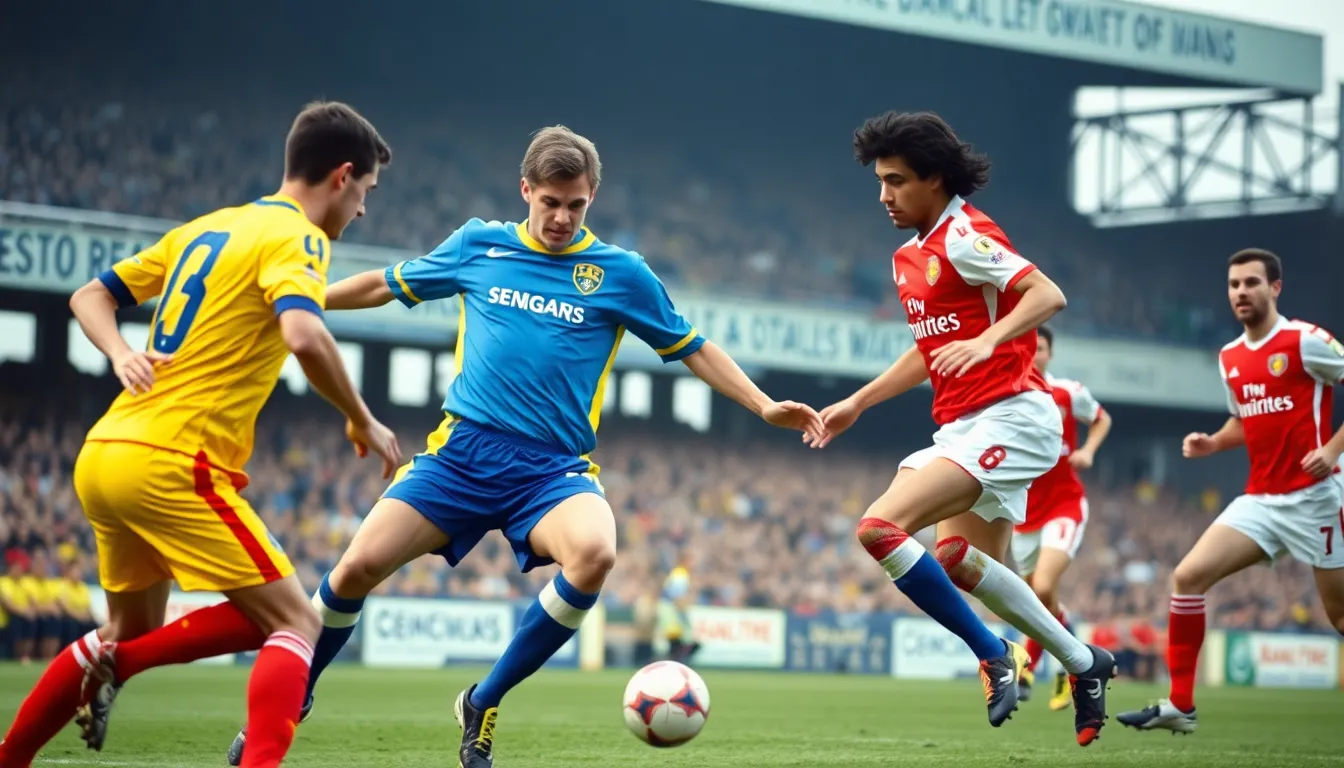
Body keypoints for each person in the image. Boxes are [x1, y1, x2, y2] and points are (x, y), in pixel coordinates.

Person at [225, 125, 823, 768]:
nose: (562, 217)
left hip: (551, 471)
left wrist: (763, 404)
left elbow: (693, 347)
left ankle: (482, 700)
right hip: (460, 457)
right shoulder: (478, 245)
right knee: (352, 570)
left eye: (576, 205)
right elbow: (384, 284)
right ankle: (293, 696)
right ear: (526, 191)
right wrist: (300, 300)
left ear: (592, 198)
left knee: (595, 554)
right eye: (551, 202)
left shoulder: (621, 274)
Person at [0, 101, 402, 768]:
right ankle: (133, 673)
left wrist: (119, 352)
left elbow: (88, 295)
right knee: (297, 622)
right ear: (341, 176)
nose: (362, 209)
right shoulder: (299, 237)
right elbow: (303, 334)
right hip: (174, 460)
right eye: (366, 190)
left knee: (129, 629)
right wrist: (361, 416)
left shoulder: (209, 227)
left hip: (106, 454)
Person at [807, 111, 1115, 747]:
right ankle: (1085, 662)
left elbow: (1047, 295)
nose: (884, 195)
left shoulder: (966, 235)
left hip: (1014, 416)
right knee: (956, 560)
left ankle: (993, 652)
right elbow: (928, 351)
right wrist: (859, 401)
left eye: (896, 181)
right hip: (964, 425)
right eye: (880, 181)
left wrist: (989, 340)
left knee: (879, 528)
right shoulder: (908, 258)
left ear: (936, 179)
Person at [1118, 249, 1344, 734]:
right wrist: (1213, 442)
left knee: (1340, 617)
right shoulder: (1229, 357)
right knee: (1187, 576)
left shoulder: (1307, 341)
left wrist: (1332, 449)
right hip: (1261, 499)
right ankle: (1180, 706)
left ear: (1275, 288)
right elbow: (1243, 421)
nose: (1241, 292)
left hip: (1317, 496)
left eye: (1251, 282)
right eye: (1234, 284)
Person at [1012, 325, 1112, 711]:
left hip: (1064, 505)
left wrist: (1088, 450)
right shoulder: (1007, 393)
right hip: (1023, 514)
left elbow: (1101, 418)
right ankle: (1076, 661)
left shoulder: (1067, 392)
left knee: (1042, 587)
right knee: (1036, 601)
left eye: (1040, 348)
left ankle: (1029, 667)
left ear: (1049, 354)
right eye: (1028, 346)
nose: (1033, 353)